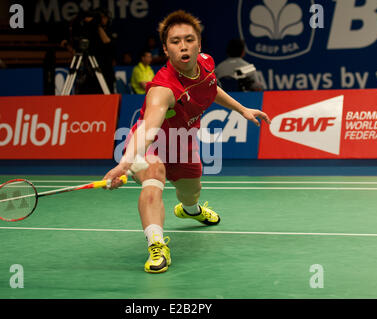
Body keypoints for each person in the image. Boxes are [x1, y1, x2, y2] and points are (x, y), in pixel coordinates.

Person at [103, 10, 271, 274]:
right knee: (154, 175)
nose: (183, 45)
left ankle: (190, 210)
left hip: (183, 145)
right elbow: (148, 128)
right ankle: (157, 245)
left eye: (189, 39)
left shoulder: (206, 63)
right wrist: (126, 162)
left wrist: (242, 110)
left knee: (191, 192)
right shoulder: (163, 89)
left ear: (199, 44)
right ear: (166, 50)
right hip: (153, 144)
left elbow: (211, 88)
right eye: (175, 41)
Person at [61, 8, 116, 94]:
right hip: (89, 73)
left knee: (106, 99)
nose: (104, 19)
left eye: (105, 17)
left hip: (105, 73)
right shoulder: (89, 32)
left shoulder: (107, 31)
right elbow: (77, 51)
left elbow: (107, 42)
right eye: (102, 17)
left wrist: (96, 25)